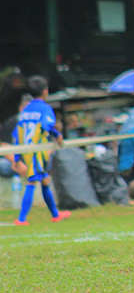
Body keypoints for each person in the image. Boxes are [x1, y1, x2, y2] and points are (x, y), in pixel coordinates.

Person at [12, 75, 72, 226]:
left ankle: (55, 214)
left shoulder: (26, 110)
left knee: (45, 180)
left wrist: (18, 158)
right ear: (46, 91)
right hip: (37, 152)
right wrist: (58, 137)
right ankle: (21, 219)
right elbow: (48, 125)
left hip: (26, 151)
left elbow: (17, 134)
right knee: (32, 182)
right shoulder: (45, 108)